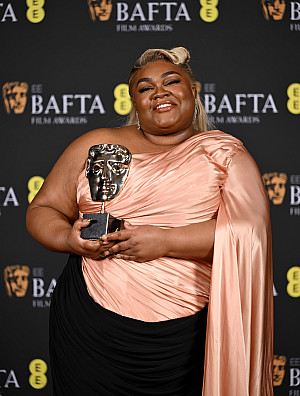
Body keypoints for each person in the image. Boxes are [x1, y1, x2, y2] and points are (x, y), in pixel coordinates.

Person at [26, 47, 273, 395]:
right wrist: (69, 239)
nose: (159, 92)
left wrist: (164, 241)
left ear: (194, 91)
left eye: (171, 81)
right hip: (90, 326)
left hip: (187, 335)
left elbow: (248, 235)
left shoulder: (224, 154)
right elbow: (42, 210)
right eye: (145, 88)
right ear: (134, 102)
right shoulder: (95, 144)